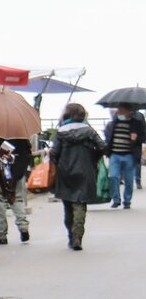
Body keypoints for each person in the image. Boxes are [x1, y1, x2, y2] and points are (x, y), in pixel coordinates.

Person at [51, 103, 107, 250]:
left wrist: (58, 163)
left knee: (68, 205)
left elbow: (54, 153)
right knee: (80, 203)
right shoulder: (89, 131)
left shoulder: (61, 132)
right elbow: (102, 146)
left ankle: (70, 235)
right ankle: (77, 236)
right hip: (85, 170)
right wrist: (92, 158)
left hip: (65, 172)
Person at [0, 138, 33, 244]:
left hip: (1, 174)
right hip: (19, 174)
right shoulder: (22, 137)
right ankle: (23, 227)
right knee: (17, 199)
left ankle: (1, 234)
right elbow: (28, 154)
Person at [103, 103, 144, 209]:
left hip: (129, 155)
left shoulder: (137, 123)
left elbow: (143, 137)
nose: (119, 111)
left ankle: (127, 201)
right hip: (115, 154)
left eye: (121, 109)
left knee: (129, 180)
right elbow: (108, 136)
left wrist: (136, 138)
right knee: (113, 176)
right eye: (119, 109)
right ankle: (116, 199)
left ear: (128, 111)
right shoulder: (113, 123)